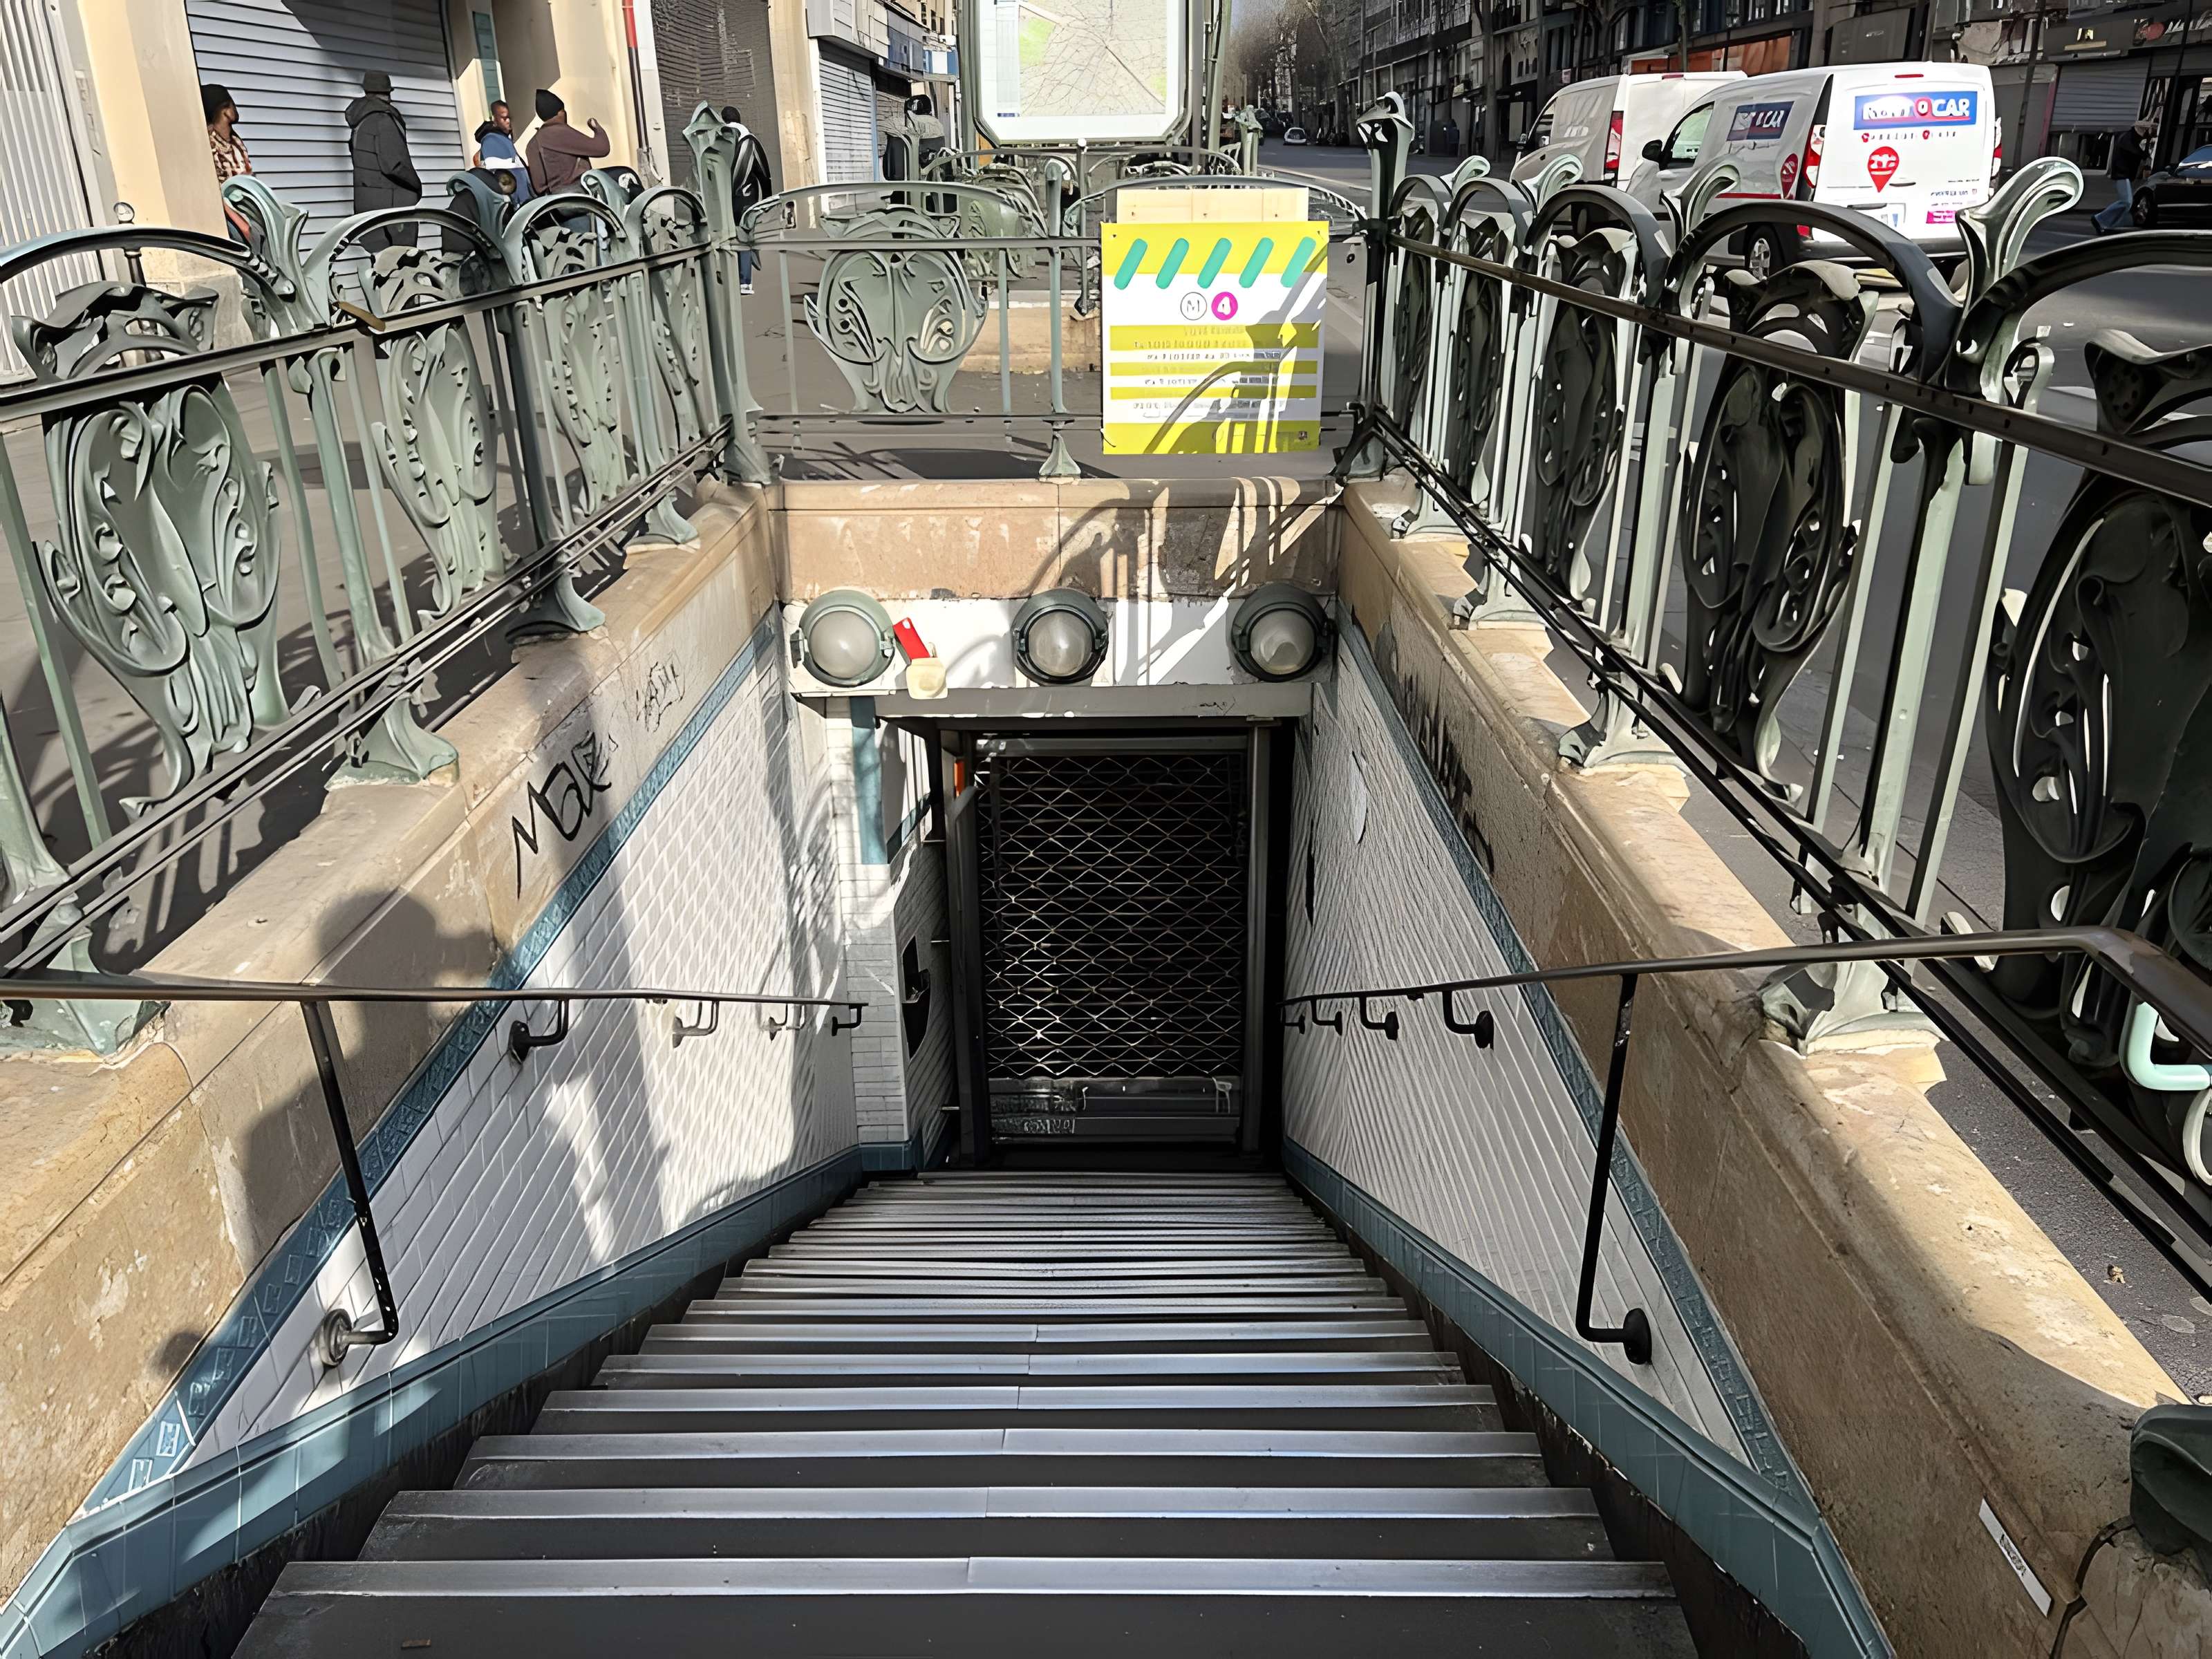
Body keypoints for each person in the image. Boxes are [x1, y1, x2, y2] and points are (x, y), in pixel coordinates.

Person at [346, 70, 422, 252]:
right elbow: (394, 165)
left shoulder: (360, 122)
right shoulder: (383, 119)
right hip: (393, 208)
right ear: (388, 93)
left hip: (368, 208)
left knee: (382, 262)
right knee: (402, 262)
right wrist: (416, 186)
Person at [720, 104, 774, 294]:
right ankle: (745, 283)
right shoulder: (749, 140)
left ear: (723, 120)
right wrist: (767, 201)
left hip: (723, 198)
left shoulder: (718, 141)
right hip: (746, 197)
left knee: (726, 236)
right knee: (744, 236)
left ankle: (728, 278)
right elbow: (763, 173)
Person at [526, 88, 612, 196]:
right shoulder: (560, 132)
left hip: (552, 201)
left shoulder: (532, 144)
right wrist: (596, 128)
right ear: (560, 113)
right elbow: (602, 148)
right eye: (564, 111)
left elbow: (539, 186)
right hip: (580, 196)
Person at [204, 84, 254, 241]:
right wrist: (241, 223)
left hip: (248, 208)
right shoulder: (210, 145)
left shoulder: (235, 142)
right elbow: (214, 190)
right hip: (230, 217)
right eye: (230, 104)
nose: (234, 108)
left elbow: (249, 174)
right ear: (224, 110)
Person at [2094, 119, 2155, 234]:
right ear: (2141, 129)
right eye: (2146, 130)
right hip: (2122, 174)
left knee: (2127, 203)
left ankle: (2108, 223)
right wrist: (2144, 155)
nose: (2147, 133)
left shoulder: (2131, 137)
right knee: (2126, 202)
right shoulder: (2127, 137)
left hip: (2124, 174)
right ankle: (2100, 219)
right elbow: (2134, 151)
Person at [471, 100, 533, 203]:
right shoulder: (492, 141)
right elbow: (504, 182)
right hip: (517, 204)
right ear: (494, 119)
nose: (508, 121)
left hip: (524, 202)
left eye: (509, 118)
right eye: (504, 118)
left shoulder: (503, 139)